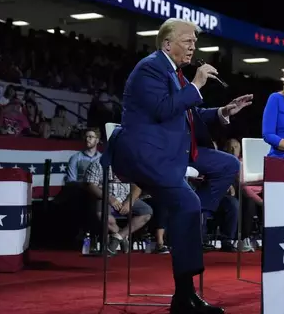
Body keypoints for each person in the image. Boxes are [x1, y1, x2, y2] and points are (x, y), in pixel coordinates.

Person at [104, 18, 252, 314]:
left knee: (227, 164)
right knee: (186, 203)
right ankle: (184, 297)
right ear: (167, 43)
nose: (193, 46)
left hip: (176, 150)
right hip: (148, 154)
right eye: (187, 41)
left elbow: (190, 116)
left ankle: (196, 220)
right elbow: (162, 110)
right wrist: (197, 84)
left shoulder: (176, 75)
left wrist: (224, 111)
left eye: (195, 42)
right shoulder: (150, 68)